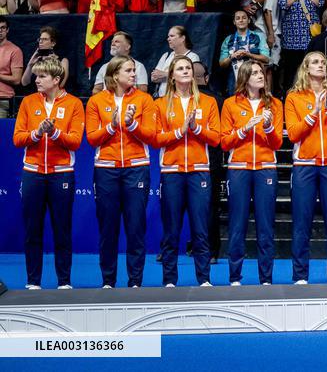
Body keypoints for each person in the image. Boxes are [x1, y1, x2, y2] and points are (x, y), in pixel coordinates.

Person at [85, 56, 157, 288]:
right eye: (129, 70)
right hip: (106, 170)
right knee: (108, 228)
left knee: (136, 227)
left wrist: (132, 124)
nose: (134, 74)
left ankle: (135, 281)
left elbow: (152, 136)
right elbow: (92, 138)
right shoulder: (96, 101)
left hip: (136, 169)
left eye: (134, 70)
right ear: (115, 74)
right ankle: (108, 281)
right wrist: (112, 125)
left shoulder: (145, 100)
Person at [13, 56, 84, 289]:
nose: (36, 80)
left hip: (61, 174)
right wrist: (37, 133)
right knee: (33, 230)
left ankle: (64, 282)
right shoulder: (28, 102)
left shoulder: (73, 103)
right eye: (36, 75)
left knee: (62, 229)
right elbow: (17, 139)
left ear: (56, 79)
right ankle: (33, 281)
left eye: (42, 76)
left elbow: (75, 142)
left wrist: (53, 133)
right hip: (32, 173)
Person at [284, 52, 327, 284]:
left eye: (324, 62)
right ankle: (300, 276)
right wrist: (313, 113)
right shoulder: (294, 97)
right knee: (302, 223)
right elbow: (293, 134)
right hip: (304, 165)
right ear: (306, 68)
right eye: (315, 62)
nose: (320, 65)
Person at [153, 55, 221, 287]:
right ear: (171, 75)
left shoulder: (207, 102)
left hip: (199, 171)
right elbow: (156, 139)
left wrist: (195, 128)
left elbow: (215, 138)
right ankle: (170, 280)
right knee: (171, 230)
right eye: (180, 68)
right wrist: (179, 132)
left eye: (188, 68)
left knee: (200, 229)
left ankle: (203, 280)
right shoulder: (161, 104)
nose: (185, 71)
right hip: (171, 172)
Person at [221, 62, 283, 286]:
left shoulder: (274, 104)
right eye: (255, 73)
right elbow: (224, 142)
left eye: (262, 73)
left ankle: (266, 279)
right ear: (245, 77)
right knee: (237, 225)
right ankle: (235, 277)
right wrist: (244, 128)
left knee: (266, 226)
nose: (261, 76)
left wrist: (266, 127)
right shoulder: (230, 104)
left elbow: (277, 143)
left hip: (266, 167)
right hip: (239, 168)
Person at [278, 0, 323, 92]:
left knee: (311, 71)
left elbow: (319, 2)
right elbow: (283, 5)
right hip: (292, 40)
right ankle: (289, 99)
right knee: (291, 72)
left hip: (310, 37)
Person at [218, 9, 270, 94]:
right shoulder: (228, 40)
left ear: (249, 20)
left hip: (254, 76)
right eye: (238, 18)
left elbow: (266, 58)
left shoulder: (258, 36)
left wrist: (248, 54)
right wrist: (232, 56)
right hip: (234, 78)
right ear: (234, 22)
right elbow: (222, 64)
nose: (241, 20)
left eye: (244, 18)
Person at [151, 26, 200, 97]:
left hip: (181, 99)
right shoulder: (166, 55)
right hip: (162, 99)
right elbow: (154, 78)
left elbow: (191, 78)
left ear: (182, 38)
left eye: (172, 36)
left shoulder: (192, 57)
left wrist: (165, 75)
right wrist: (175, 76)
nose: (168, 39)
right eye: (168, 36)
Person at [0, 17, 25, 118]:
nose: (0, 31)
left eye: (3, 28)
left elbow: (17, 80)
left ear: (7, 30)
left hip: (3, 99)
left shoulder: (15, 50)